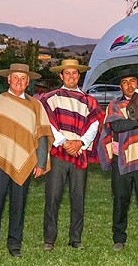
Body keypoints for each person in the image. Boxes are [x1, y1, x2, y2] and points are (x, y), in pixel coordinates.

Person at [0, 63, 53, 258]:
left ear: (28, 82)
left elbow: (42, 133)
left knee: (19, 204)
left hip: (25, 162)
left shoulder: (36, 105)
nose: (19, 81)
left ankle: (15, 244)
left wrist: (40, 162)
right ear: (8, 79)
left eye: (23, 78)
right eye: (15, 78)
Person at [40, 59, 104, 251]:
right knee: (53, 197)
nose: (71, 77)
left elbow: (94, 125)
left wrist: (81, 143)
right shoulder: (50, 98)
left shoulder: (89, 101)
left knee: (78, 197)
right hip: (59, 153)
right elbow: (47, 123)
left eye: (75, 73)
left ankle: (75, 238)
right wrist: (64, 142)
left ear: (79, 75)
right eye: (67, 73)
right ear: (61, 76)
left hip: (79, 153)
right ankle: (49, 239)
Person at [97, 69, 138, 252]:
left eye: (133, 80)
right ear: (120, 87)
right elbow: (117, 126)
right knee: (120, 200)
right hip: (122, 159)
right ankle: (119, 238)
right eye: (125, 82)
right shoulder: (115, 105)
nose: (129, 85)